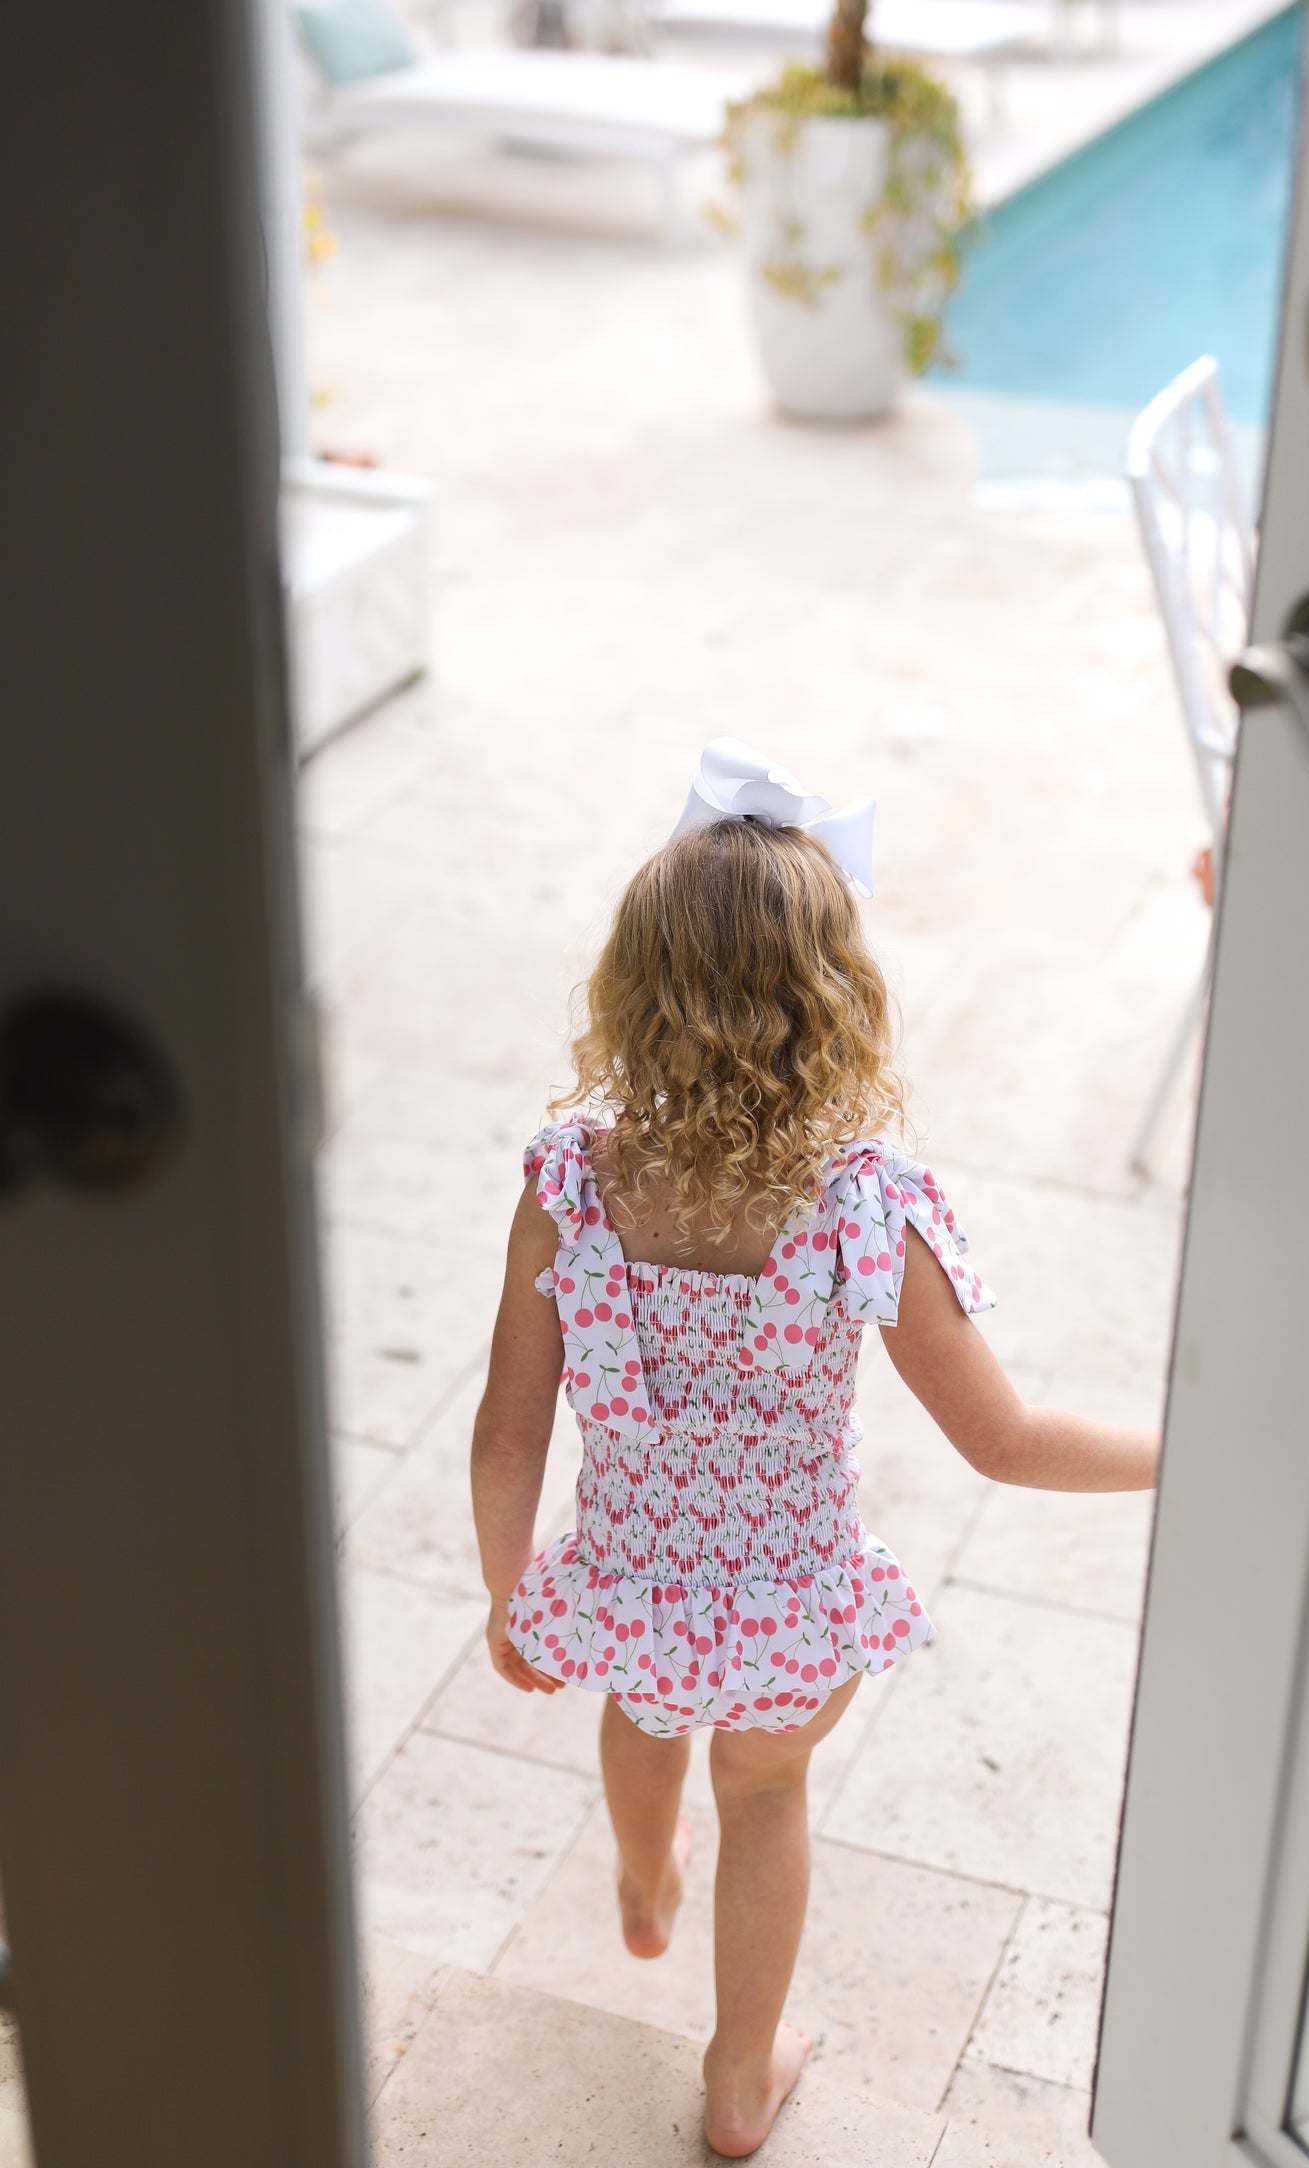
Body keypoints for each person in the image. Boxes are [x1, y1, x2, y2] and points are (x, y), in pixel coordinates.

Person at [471, 740, 1159, 2159]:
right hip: (792, 1601)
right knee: (766, 1790)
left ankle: (644, 1875)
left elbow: (506, 1425)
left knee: (648, 1712)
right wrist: (1199, 1451)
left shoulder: (566, 1187)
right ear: (833, 1003)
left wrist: (507, 1594)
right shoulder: (862, 1209)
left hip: (632, 1579)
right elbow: (1007, 1440)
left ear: (630, 986)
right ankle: (737, 2076)